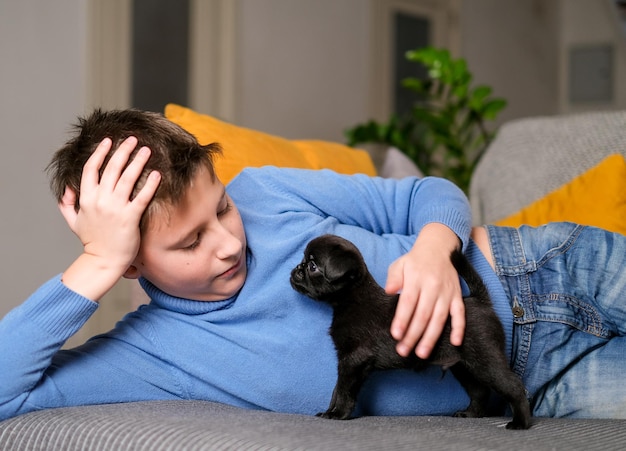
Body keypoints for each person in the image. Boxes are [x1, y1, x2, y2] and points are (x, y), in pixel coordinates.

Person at [1, 109, 625, 422]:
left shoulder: (269, 193)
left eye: (222, 207)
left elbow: (426, 193)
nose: (226, 242)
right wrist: (96, 261)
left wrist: (435, 249)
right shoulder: (155, 355)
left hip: (541, 266)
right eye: (189, 243)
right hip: (536, 388)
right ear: (132, 264)